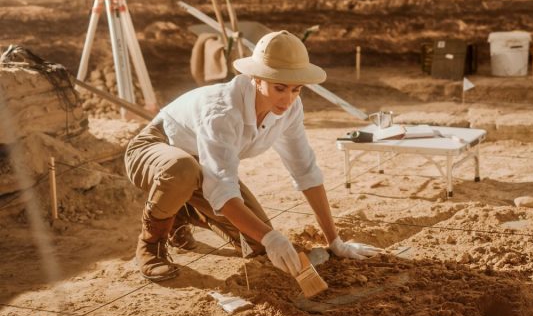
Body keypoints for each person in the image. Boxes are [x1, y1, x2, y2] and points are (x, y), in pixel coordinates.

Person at [124, 30, 380, 281]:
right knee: (182, 170)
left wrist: (334, 241)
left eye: (296, 89)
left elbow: (305, 170)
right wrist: (272, 237)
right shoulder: (222, 110)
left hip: (202, 167)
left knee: (256, 244)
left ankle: (181, 210)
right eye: (280, 88)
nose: (288, 99)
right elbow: (223, 190)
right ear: (256, 78)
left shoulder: (290, 110)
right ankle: (150, 244)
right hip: (154, 151)